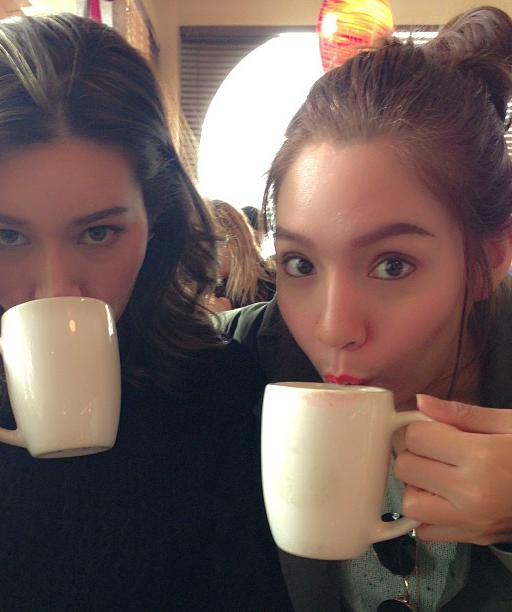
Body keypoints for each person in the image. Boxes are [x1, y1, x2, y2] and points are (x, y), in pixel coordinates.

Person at [0, 14, 293, 610]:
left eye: (99, 232)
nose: (57, 289)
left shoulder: (225, 391)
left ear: (156, 217)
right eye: (6, 236)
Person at [223, 6, 512, 610]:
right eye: (301, 265)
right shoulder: (255, 352)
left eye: (392, 265)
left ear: (491, 257)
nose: (333, 328)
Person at [206, 199, 276, 313]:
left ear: (234, 242)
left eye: (209, 243)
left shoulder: (272, 285)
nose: (201, 253)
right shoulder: (203, 289)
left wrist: (225, 318)